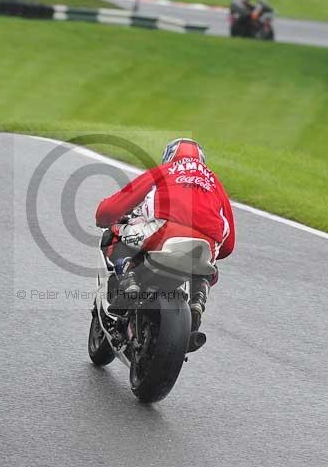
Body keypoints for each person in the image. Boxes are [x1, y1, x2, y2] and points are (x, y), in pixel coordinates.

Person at [95, 138, 236, 351]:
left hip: (165, 230)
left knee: (114, 234)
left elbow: (112, 208)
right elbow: (229, 244)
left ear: (169, 156)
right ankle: (198, 297)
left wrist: (104, 217)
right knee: (211, 266)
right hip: (208, 242)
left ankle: (129, 284)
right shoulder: (214, 181)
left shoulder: (164, 170)